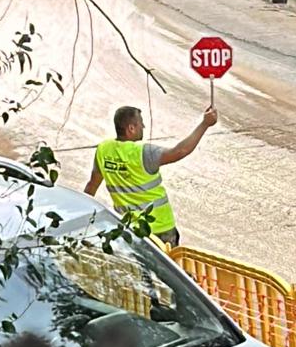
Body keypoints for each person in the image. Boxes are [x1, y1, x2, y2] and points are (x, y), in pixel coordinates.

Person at [84, 103, 218, 246]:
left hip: (129, 230)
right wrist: (204, 124)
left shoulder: (103, 150)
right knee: (168, 267)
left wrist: (81, 218)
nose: (144, 127)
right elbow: (180, 151)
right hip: (160, 229)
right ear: (131, 128)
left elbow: (92, 186)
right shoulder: (143, 152)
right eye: (141, 124)